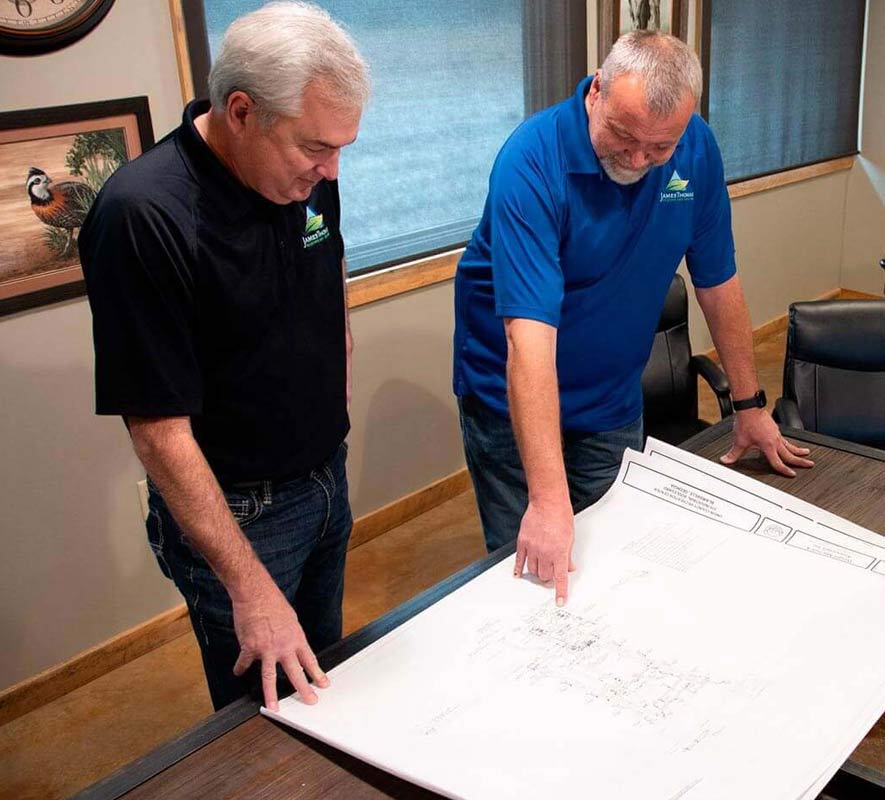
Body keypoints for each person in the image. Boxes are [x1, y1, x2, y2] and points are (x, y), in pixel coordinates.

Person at [453, 31, 813, 606]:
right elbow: (530, 342)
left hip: (612, 402)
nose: (637, 159)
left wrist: (749, 407)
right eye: (623, 136)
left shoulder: (696, 147)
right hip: (509, 404)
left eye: (659, 147)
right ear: (596, 91)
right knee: (537, 579)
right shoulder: (531, 161)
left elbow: (718, 284)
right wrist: (547, 501)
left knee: (619, 567)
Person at [79, 1, 370, 711]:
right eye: (314, 148)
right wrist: (249, 586)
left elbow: (324, 269)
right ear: (241, 112)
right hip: (242, 512)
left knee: (320, 677)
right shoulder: (143, 215)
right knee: (262, 714)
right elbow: (157, 429)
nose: (331, 170)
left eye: (341, 148)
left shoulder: (304, 174)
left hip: (323, 475)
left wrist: (336, 369)